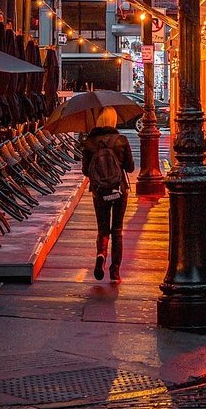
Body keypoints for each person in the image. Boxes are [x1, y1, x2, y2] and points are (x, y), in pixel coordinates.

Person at [80, 106, 134, 283]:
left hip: (99, 192)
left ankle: (101, 255)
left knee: (103, 229)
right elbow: (130, 167)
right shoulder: (121, 140)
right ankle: (115, 271)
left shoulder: (90, 142)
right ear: (113, 121)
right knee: (117, 230)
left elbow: (86, 171)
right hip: (118, 191)